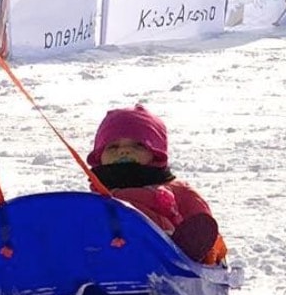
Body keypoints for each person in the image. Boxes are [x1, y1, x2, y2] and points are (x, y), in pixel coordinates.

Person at [86, 104, 228, 265]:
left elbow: (203, 226)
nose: (124, 151)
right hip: (107, 260)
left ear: (156, 153)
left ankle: (179, 254)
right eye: (113, 146)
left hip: (166, 253)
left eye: (138, 145)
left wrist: (205, 251)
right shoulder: (94, 198)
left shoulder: (178, 190)